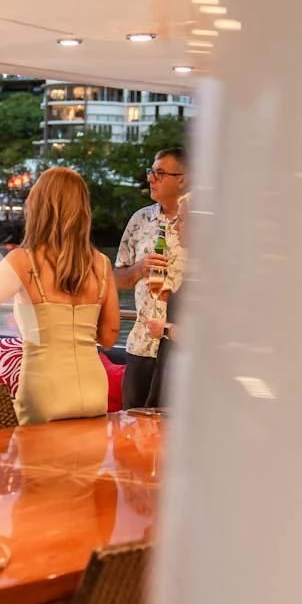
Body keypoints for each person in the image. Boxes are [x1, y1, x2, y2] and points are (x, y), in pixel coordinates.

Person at [0, 166, 120, 425]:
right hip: (94, 390)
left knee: (36, 465)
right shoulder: (102, 264)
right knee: (86, 465)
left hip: (44, 391)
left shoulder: (22, 261)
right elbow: (108, 336)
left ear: (40, 206)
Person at [114, 146, 187, 409]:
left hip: (182, 351)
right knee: (130, 431)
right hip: (141, 347)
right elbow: (115, 279)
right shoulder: (140, 220)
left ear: (183, 179)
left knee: (168, 435)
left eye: (159, 173)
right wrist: (138, 270)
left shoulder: (198, 225)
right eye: (150, 172)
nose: (150, 179)